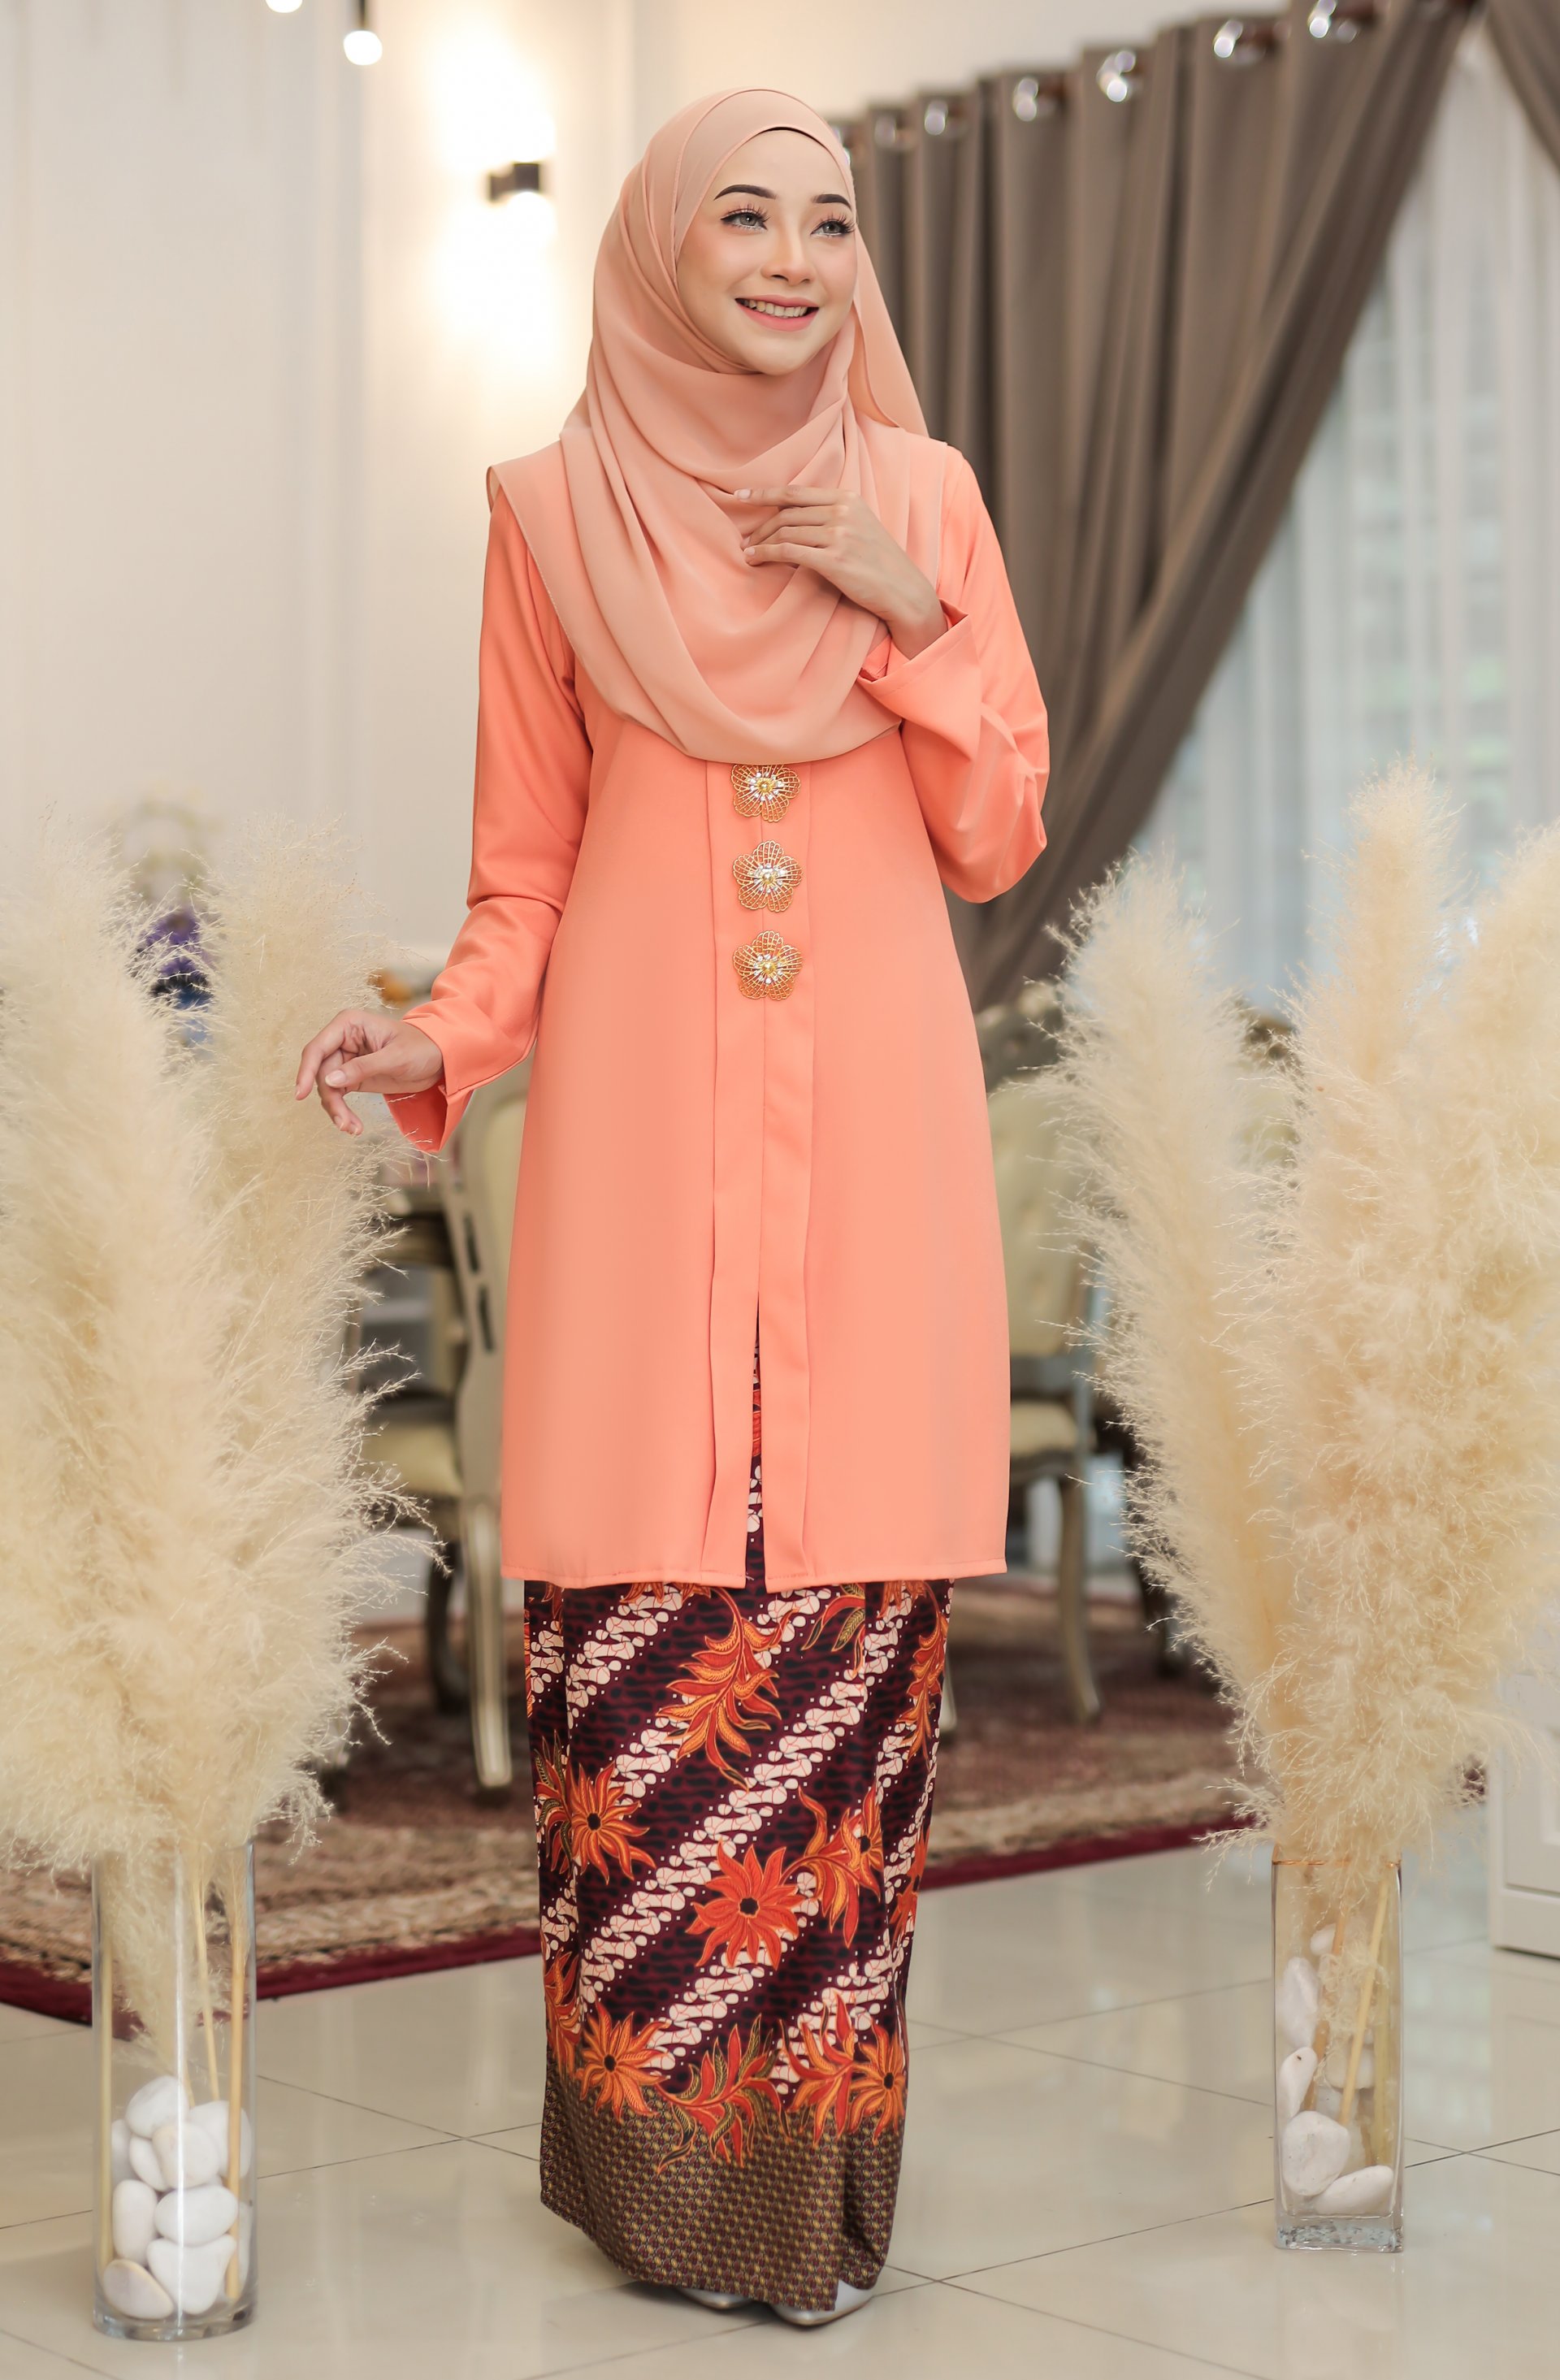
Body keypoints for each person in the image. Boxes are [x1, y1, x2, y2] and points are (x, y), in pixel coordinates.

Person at [296, 87, 1047, 2327]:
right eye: (748, 215)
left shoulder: (926, 496)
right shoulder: (551, 515)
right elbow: (523, 873)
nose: (797, 258)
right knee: (645, 1666)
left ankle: (807, 2203)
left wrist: (902, 603)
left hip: (877, 1144)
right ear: (658, 248)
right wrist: (442, 1035)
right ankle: (658, 2191)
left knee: (845, 1654)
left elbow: (999, 822)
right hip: (637, 1146)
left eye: (832, 221)